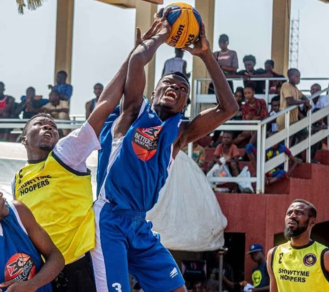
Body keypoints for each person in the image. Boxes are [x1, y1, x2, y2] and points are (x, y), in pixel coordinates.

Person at [92, 10, 238, 292]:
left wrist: (205, 53)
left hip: (139, 224)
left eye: (183, 88)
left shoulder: (179, 134)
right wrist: (162, 35)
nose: (175, 86)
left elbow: (228, 108)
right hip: (109, 217)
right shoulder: (133, 113)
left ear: (184, 104)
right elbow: (137, 60)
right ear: (155, 90)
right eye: (169, 83)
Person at [13, 23, 159, 292]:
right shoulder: (18, 179)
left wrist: (134, 54)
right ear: (23, 138)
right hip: (44, 271)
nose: (49, 126)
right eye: (40, 124)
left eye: (53, 125)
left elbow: (105, 104)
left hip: (82, 265)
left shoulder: (65, 154)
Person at [267, 199, 329, 292]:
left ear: (312, 221)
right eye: (289, 213)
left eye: (299, 213)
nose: (292, 216)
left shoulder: (326, 256)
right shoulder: (274, 254)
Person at [276, 69, 310, 141]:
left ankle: (294, 151)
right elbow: (290, 101)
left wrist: (307, 102)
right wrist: (304, 102)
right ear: (289, 76)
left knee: (297, 136)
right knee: (302, 133)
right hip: (285, 118)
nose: (298, 79)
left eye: (299, 76)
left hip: (293, 118)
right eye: (296, 76)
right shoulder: (286, 85)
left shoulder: (295, 88)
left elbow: (303, 96)